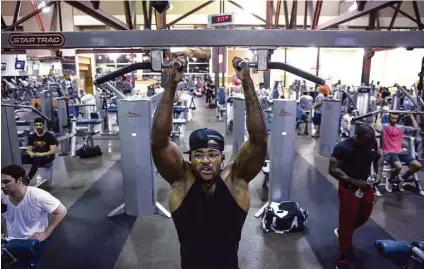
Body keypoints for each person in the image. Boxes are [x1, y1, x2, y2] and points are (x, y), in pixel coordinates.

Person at [150, 56, 267, 269]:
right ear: (190, 158)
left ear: (223, 158)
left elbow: (258, 140)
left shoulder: (236, 182)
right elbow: (159, 141)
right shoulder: (181, 183)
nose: (205, 161)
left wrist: (247, 82)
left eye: (212, 154)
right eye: (198, 154)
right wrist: (172, 83)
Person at [329, 124, 381, 269]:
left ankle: (344, 233)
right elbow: (332, 169)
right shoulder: (343, 148)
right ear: (357, 137)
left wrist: (378, 173)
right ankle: (344, 254)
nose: (370, 144)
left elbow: (378, 158)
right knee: (347, 220)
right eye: (367, 141)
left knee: (365, 214)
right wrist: (354, 181)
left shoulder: (371, 143)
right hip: (349, 189)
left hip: (366, 186)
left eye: (371, 141)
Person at [1, 164, 67, 268]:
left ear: (19, 180)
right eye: (0, 182)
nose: (2, 186)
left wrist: (46, 233)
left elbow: (61, 211)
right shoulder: (2, 196)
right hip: (10, 241)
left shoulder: (38, 196)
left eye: (6, 182)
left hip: (33, 241)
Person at [375, 110, 422, 192]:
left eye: (395, 119)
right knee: (399, 166)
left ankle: (401, 179)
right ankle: (390, 180)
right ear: (389, 118)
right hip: (388, 152)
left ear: (398, 119)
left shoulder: (401, 128)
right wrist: (379, 114)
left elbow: (416, 128)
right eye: (392, 118)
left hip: (400, 152)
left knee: (418, 165)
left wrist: (411, 115)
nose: (393, 120)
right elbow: (377, 128)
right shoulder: (385, 126)